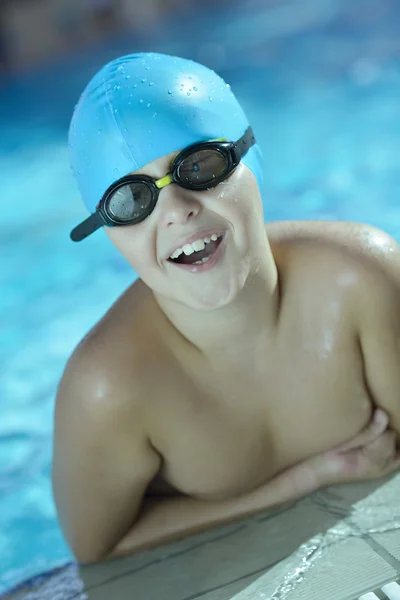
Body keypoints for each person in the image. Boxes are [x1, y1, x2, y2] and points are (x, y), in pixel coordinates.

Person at [52, 52, 400, 565]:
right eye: (130, 200)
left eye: (200, 166)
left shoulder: (359, 279)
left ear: (251, 161)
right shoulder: (109, 390)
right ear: (109, 234)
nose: (176, 210)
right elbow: (101, 548)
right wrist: (304, 480)